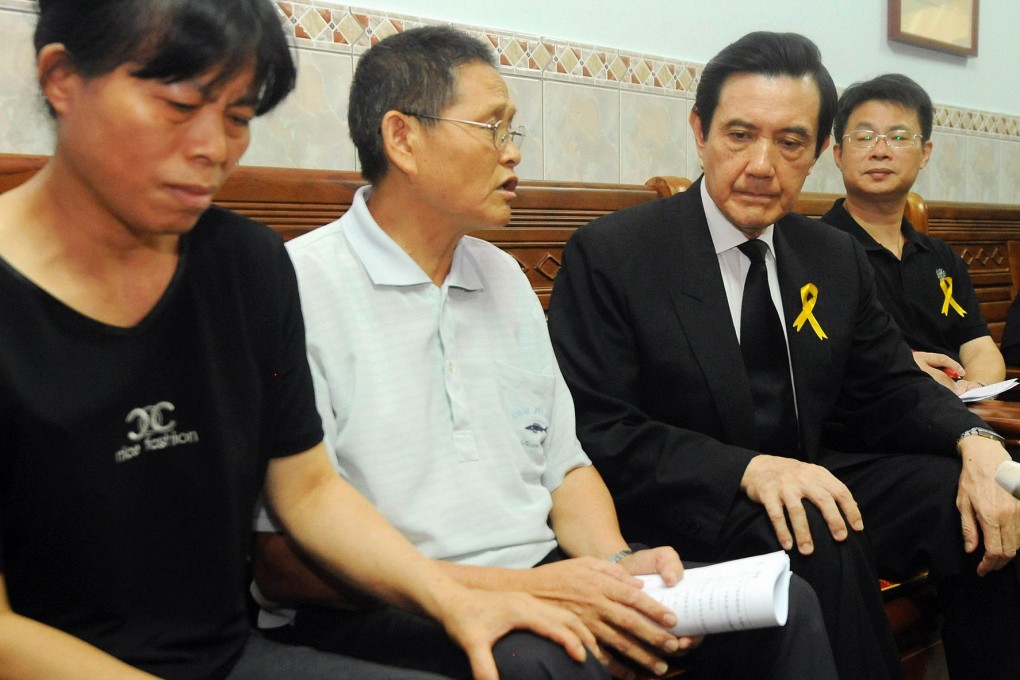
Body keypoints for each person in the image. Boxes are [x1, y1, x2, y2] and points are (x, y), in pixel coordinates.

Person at [0, 2, 599, 679]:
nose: (213, 148)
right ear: (61, 79)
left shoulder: (246, 263)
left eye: (237, 117)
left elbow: (309, 492)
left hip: (229, 657)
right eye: (177, 104)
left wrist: (455, 599)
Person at [252, 25, 837, 680]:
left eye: (514, 132)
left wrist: (619, 568)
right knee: (560, 660)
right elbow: (283, 562)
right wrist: (519, 592)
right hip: (388, 603)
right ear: (403, 138)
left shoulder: (500, 277)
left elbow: (565, 467)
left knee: (784, 609)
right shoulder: (296, 285)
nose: (512, 155)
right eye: (493, 129)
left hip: (547, 573)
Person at [547, 30, 1020, 680]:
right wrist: (749, 469)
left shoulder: (831, 255)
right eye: (740, 134)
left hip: (811, 471)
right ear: (700, 132)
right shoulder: (615, 255)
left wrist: (974, 442)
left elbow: (890, 388)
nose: (763, 163)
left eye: (790, 141)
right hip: (689, 490)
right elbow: (601, 427)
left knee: (984, 498)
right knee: (818, 530)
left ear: (818, 151)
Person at [821, 73, 1005, 395]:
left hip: (960, 415)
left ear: (925, 153)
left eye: (899, 137)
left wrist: (975, 389)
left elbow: (979, 348)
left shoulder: (942, 258)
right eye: (864, 137)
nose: (880, 151)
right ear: (838, 155)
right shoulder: (817, 249)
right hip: (873, 423)